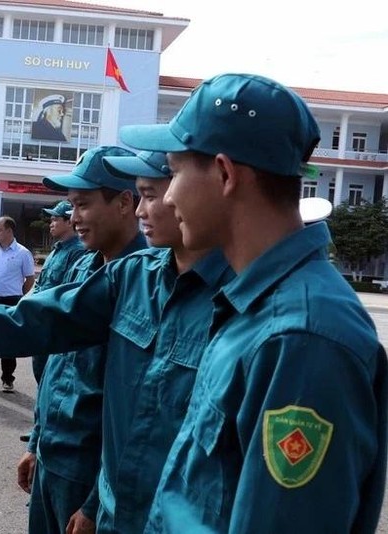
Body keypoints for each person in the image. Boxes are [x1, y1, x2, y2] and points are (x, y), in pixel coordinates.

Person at [0, 147, 234, 534]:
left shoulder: (237, 302)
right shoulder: (119, 274)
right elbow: (36, 325)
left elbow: (143, 422)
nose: (72, 218)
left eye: (154, 192)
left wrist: (93, 502)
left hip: (105, 488)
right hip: (64, 462)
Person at [120, 73, 387, 533]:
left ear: (225, 174)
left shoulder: (301, 338)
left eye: (176, 172)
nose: (167, 196)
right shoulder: (255, 305)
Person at [20, 145, 146, 534]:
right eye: (71, 207)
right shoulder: (82, 265)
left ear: (125, 203)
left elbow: (135, 411)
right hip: (51, 457)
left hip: (88, 474)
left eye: (83, 205)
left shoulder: (144, 286)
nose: (73, 218)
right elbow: (59, 366)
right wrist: (36, 442)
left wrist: (95, 503)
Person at [31, 200, 86, 384]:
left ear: (69, 222)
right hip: (41, 321)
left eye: (55, 220)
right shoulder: (56, 250)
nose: (51, 224)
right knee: (40, 374)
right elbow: (41, 284)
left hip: (55, 325)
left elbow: (70, 291)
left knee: (52, 379)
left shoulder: (78, 252)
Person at [0, 216, 35, 392]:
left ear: (9, 231)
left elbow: (30, 279)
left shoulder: (23, 253)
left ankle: (7, 379)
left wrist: (20, 296)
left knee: (8, 342)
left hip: (12, 301)